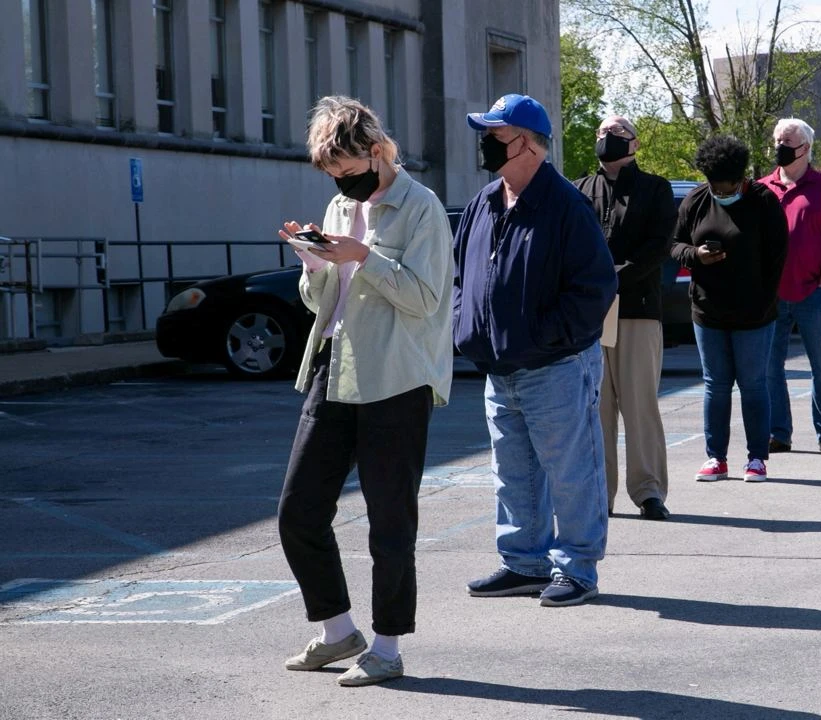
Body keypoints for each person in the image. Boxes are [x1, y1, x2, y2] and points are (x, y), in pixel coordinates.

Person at [276, 96, 455, 687]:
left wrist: (363, 257)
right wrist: (313, 263)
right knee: (298, 510)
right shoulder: (335, 204)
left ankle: (386, 647)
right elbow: (321, 302)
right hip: (336, 367)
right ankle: (336, 631)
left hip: (396, 380)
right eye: (334, 177)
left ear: (377, 152)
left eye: (350, 174)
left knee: (390, 521)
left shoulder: (421, 206)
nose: (344, 187)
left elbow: (426, 300)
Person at [453, 94, 617, 607]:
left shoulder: (566, 204)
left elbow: (595, 289)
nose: (484, 144)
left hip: (556, 366)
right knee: (513, 472)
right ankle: (524, 562)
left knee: (571, 472)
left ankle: (578, 569)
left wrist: (545, 336)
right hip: (500, 368)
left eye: (494, 135)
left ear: (524, 142)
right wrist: (467, 326)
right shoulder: (484, 202)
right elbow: (462, 276)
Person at [573, 115, 675, 521]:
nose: (604, 138)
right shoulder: (579, 189)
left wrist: (613, 277)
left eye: (614, 134)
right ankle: (601, 493)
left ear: (634, 144)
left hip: (637, 309)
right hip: (590, 315)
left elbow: (658, 247)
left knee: (640, 404)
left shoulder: (655, 188)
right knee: (596, 410)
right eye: (600, 132)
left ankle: (648, 491)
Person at [671, 135, 788, 483]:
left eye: (728, 187)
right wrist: (696, 256)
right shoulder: (695, 200)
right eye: (715, 186)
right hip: (708, 312)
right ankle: (715, 458)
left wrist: (764, 302)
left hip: (755, 314)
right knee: (715, 386)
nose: (721, 192)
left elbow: (777, 259)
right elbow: (674, 244)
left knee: (753, 385)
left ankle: (756, 459)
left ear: (741, 178)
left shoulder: (765, 202)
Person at [762, 118, 821, 455]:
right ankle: (778, 433)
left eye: (786, 141)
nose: (779, 146)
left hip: (813, 293)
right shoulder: (762, 188)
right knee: (770, 367)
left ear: (805, 148)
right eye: (776, 140)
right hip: (771, 296)